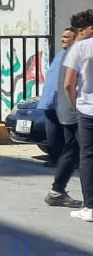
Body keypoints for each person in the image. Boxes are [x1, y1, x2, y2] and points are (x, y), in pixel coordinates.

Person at [45, 22, 85, 208]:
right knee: (80, 152)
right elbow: (69, 85)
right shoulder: (75, 53)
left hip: (68, 110)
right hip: (75, 111)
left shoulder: (67, 54)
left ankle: (57, 191)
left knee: (72, 151)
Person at [65, 11, 93, 224]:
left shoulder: (79, 48)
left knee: (88, 157)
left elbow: (69, 83)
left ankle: (90, 207)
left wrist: (75, 104)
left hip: (88, 110)